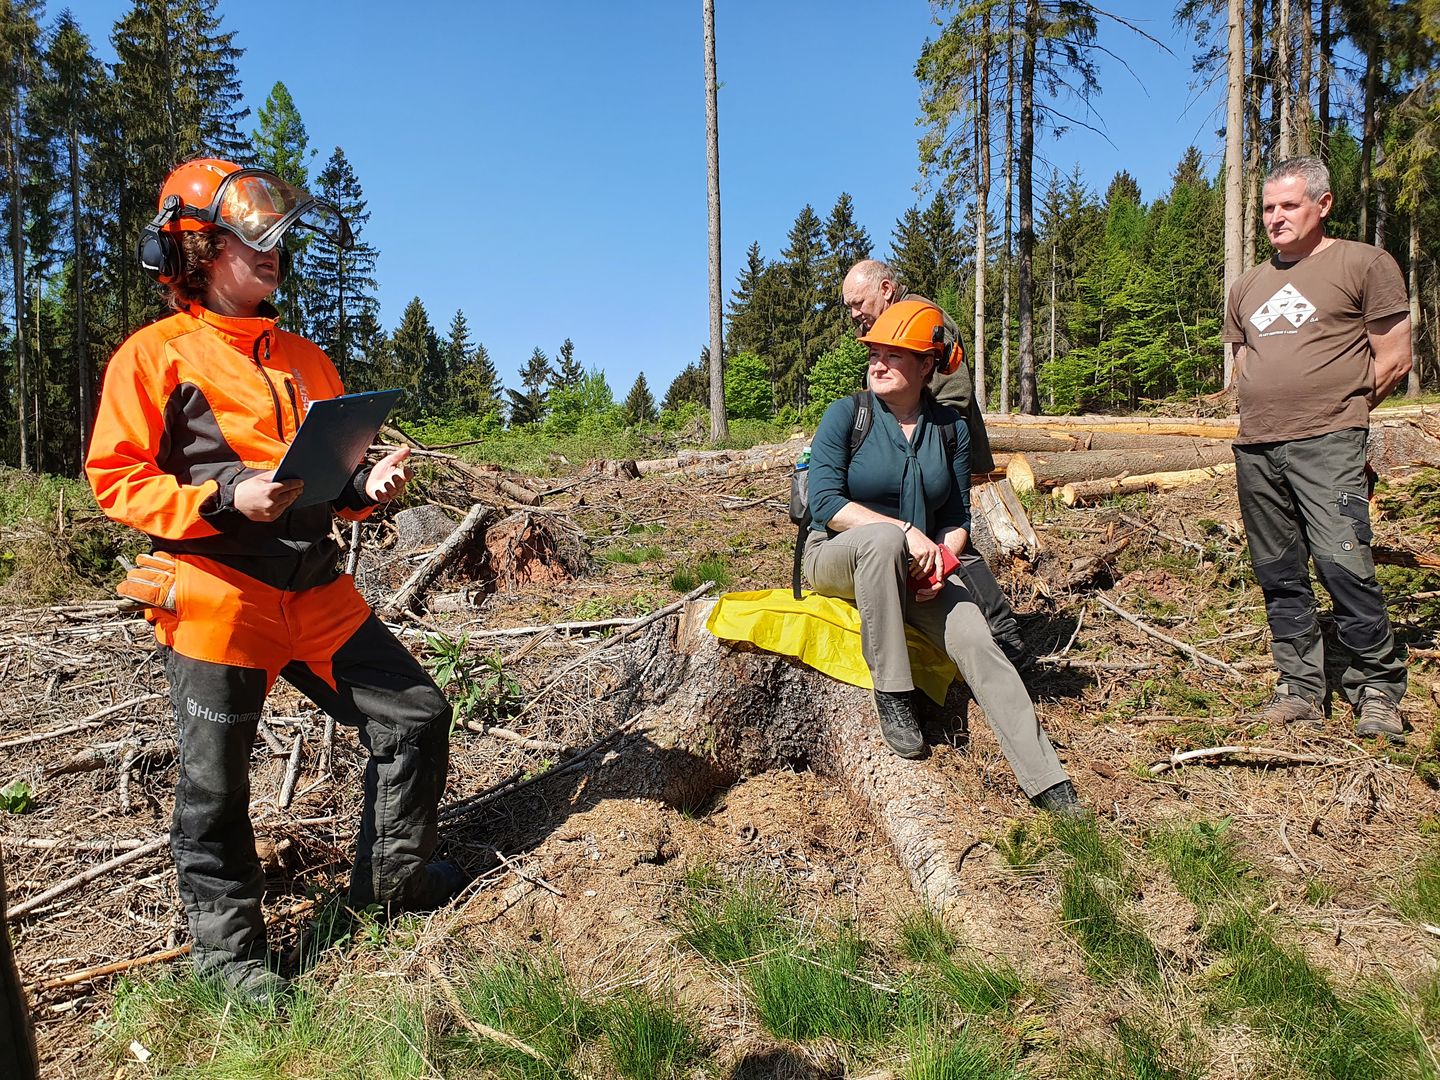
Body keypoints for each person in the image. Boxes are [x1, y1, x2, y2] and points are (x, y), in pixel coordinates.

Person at [86, 158, 462, 1004]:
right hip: (218, 594)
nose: (272, 252)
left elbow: (335, 478)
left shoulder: (305, 358)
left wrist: (366, 490)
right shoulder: (153, 357)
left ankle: (390, 883)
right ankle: (231, 962)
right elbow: (115, 480)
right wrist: (227, 497)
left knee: (414, 714)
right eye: (249, 239)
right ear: (196, 250)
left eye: (273, 236)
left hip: (315, 587)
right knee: (217, 783)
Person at [803, 299, 1078, 813]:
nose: (877, 364)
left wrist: (941, 564)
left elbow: (957, 520)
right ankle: (893, 693)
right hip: (836, 558)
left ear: (927, 365)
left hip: (916, 571)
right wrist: (906, 532)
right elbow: (824, 504)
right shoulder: (848, 415)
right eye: (874, 354)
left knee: (977, 637)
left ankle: (1047, 779)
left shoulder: (949, 429)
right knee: (882, 540)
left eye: (894, 355)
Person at [1223, 156, 1412, 739]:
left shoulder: (1363, 263)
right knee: (1278, 571)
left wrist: (1341, 414)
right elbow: (1241, 359)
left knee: (1344, 565)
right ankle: (1300, 687)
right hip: (1257, 448)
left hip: (1328, 442)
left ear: (1322, 205)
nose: (1274, 218)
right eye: (1267, 208)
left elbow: (1394, 356)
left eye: (1288, 206)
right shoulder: (1249, 283)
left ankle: (1377, 687)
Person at [841, 259, 1029, 670]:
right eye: (849, 306)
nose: (854, 313)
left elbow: (956, 394)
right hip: (910, 450)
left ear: (886, 288)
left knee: (952, 537)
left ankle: (1005, 635)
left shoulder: (925, 319)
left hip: (935, 452)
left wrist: (936, 452)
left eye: (858, 302)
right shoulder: (889, 326)